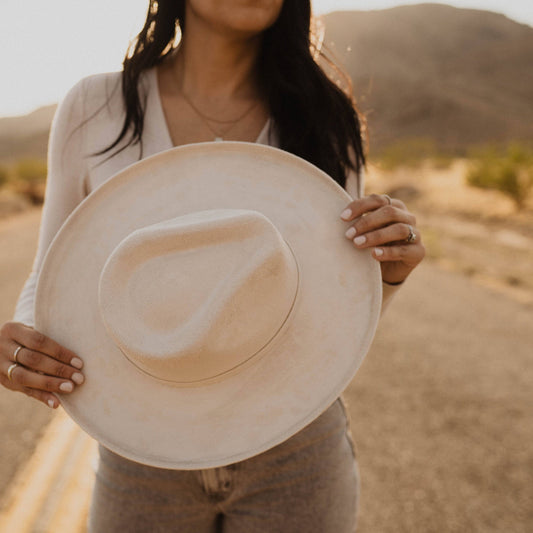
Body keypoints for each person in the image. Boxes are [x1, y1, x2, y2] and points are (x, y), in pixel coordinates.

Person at [0, 1, 425, 531]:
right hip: (142, 451)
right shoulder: (97, 105)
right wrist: (26, 344)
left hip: (295, 447)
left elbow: (336, 315)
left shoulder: (325, 115)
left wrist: (388, 273)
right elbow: (52, 272)